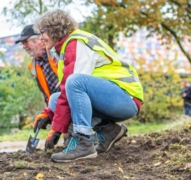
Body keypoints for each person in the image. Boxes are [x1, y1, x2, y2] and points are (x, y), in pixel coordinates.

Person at [33, 9, 144, 163]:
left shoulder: (76, 43)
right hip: (111, 98)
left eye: (43, 31)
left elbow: (73, 85)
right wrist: (49, 113)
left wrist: (57, 127)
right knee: (54, 100)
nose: (41, 37)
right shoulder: (64, 48)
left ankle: (83, 142)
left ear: (54, 29)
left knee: (75, 82)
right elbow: (67, 94)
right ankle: (109, 130)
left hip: (126, 98)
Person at [15, 24, 61, 134]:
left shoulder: (55, 52)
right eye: (22, 43)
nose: (24, 46)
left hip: (71, 98)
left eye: (26, 42)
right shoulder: (33, 67)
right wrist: (48, 114)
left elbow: (65, 86)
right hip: (57, 104)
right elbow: (47, 95)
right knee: (67, 140)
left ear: (39, 39)